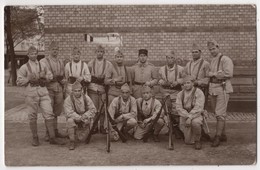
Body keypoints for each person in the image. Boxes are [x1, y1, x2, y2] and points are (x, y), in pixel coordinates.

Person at [16, 46, 65, 146]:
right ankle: (35, 137)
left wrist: (45, 77)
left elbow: (50, 75)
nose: (33, 55)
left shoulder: (42, 65)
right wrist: (28, 79)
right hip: (31, 94)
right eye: (31, 53)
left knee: (49, 113)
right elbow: (19, 81)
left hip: (43, 92)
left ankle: (52, 138)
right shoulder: (24, 67)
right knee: (32, 116)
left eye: (35, 53)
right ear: (28, 55)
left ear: (37, 54)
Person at [207, 40, 234, 147]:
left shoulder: (225, 59)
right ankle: (223, 134)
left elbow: (228, 74)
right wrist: (215, 74)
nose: (212, 51)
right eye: (210, 49)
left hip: (222, 88)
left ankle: (217, 137)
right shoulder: (212, 60)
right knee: (217, 113)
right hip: (213, 88)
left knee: (220, 114)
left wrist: (213, 74)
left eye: (214, 49)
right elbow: (208, 74)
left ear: (218, 48)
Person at [183, 43, 211, 141]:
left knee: (201, 110)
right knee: (191, 109)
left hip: (201, 90)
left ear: (200, 52)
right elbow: (185, 75)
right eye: (193, 52)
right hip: (190, 91)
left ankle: (201, 132)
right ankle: (193, 132)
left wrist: (198, 82)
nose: (194, 54)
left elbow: (208, 79)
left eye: (196, 52)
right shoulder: (188, 64)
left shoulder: (205, 64)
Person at [41, 41, 67, 141]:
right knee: (49, 111)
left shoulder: (60, 61)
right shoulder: (44, 61)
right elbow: (42, 75)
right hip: (48, 88)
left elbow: (63, 75)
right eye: (53, 49)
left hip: (58, 88)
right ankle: (48, 133)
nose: (55, 51)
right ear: (49, 50)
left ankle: (55, 131)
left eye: (57, 49)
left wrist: (63, 80)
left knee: (57, 111)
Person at [158, 50, 184, 139]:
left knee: (176, 111)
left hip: (176, 92)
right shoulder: (162, 69)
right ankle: (171, 129)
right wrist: (162, 82)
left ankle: (176, 128)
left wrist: (178, 82)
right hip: (166, 92)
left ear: (175, 59)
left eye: (172, 58)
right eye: (168, 58)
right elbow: (159, 80)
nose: (170, 60)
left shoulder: (180, 69)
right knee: (167, 111)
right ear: (166, 59)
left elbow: (185, 79)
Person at [88, 45, 114, 134]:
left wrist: (104, 79)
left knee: (102, 108)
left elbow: (109, 77)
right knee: (94, 108)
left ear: (104, 52)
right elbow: (88, 76)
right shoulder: (90, 63)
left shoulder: (108, 64)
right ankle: (94, 126)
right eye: (98, 51)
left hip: (103, 88)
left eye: (101, 51)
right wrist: (95, 78)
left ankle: (102, 126)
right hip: (93, 88)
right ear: (95, 52)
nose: (99, 53)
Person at [64, 81, 97, 150]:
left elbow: (93, 109)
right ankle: (72, 141)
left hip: (84, 118)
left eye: (79, 91)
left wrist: (86, 115)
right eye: (75, 91)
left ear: (81, 90)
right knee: (70, 121)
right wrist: (79, 118)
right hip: (75, 118)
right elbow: (69, 112)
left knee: (81, 139)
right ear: (72, 91)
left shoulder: (86, 98)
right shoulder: (68, 99)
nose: (77, 92)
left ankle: (79, 131)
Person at [176, 75, 205, 150]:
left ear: (192, 83)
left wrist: (190, 117)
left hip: (196, 114)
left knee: (195, 123)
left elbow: (199, 107)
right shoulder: (180, 94)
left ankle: (198, 140)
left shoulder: (199, 92)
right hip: (185, 115)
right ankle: (198, 134)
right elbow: (179, 108)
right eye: (184, 83)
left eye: (188, 83)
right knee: (188, 141)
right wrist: (187, 116)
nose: (186, 85)